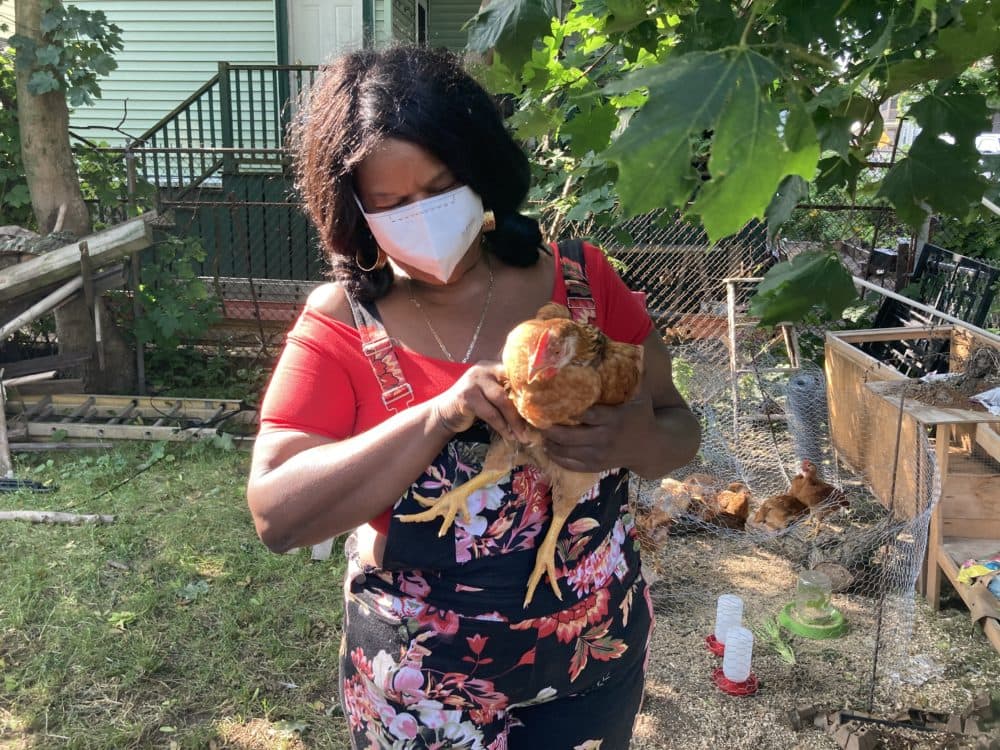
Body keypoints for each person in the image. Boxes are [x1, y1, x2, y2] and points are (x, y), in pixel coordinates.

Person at [246, 45, 701, 750]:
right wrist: (434, 416)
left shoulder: (581, 285)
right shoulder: (342, 323)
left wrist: (631, 439)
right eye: (393, 203)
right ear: (355, 210)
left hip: (591, 661)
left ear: (482, 170)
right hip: (425, 691)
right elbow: (276, 515)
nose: (421, 215)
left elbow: (679, 429)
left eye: (442, 185)